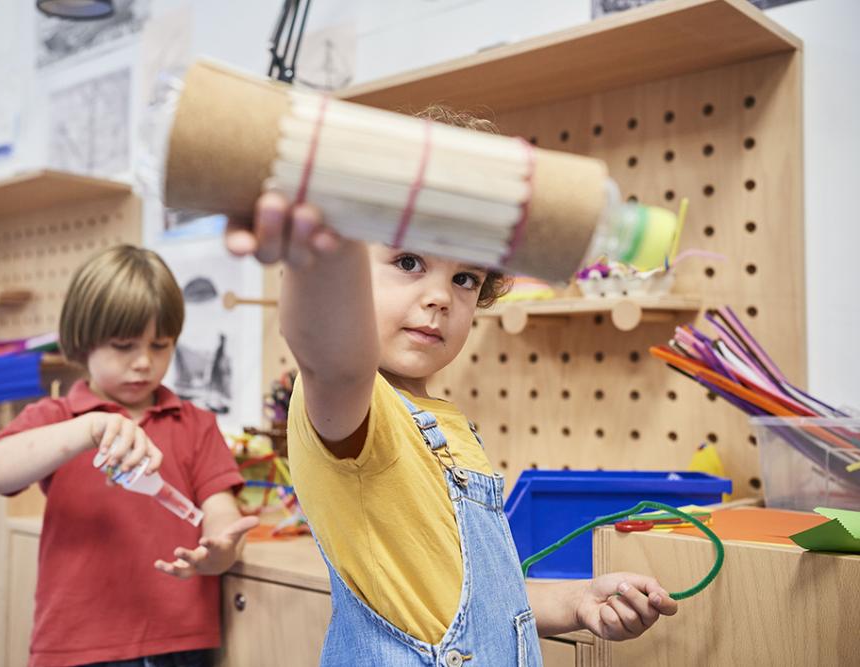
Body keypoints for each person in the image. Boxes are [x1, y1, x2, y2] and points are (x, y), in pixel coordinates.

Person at [225, 109, 679, 665]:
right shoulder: (355, 410)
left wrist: (578, 598)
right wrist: (323, 252)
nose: (442, 296)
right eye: (409, 261)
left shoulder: (445, 425)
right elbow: (331, 355)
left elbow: (475, 602)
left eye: (465, 277)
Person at [0, 245, 257, 667]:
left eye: (160, 345)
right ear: (84, 342)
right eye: (123, 346)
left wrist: (220, 549)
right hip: (76, 646)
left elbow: (220, 510)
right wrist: (88, 429)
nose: (143, 362)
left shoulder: (195, 424)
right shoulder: (58, 418)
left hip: (179, 644)